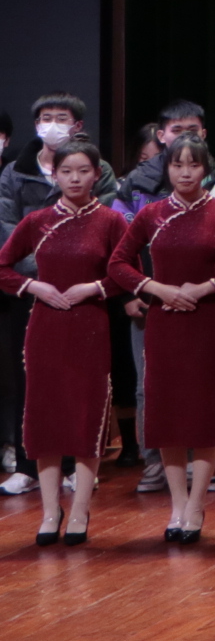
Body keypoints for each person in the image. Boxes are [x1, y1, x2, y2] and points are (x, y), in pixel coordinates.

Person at [0, 143, 128, 543]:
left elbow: (128, 274)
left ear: (97, 175)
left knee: (86, 415)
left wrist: (93, 288)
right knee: (47, 417)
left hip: (90, 326)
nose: (75, 178)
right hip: (45, 327)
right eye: (67, 171)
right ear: (54, 175)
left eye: (84, 171)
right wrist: (33, 286)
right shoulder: (36, 221)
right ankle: (50, 511)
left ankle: (80, 511)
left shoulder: (110, 221)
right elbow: (3, 267)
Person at [113, 134, 215, 543]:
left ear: (206, 169)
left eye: (193, 165)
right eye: (177, 165)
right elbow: (118, 263)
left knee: (203, 411)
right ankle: (178, 504)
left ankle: (197, 504)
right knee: (166, 412)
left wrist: (204, 288)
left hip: (207, 319)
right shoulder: (151, 214)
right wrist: (155, 289)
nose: (185, 172)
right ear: (166, 168)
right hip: (163, 321)